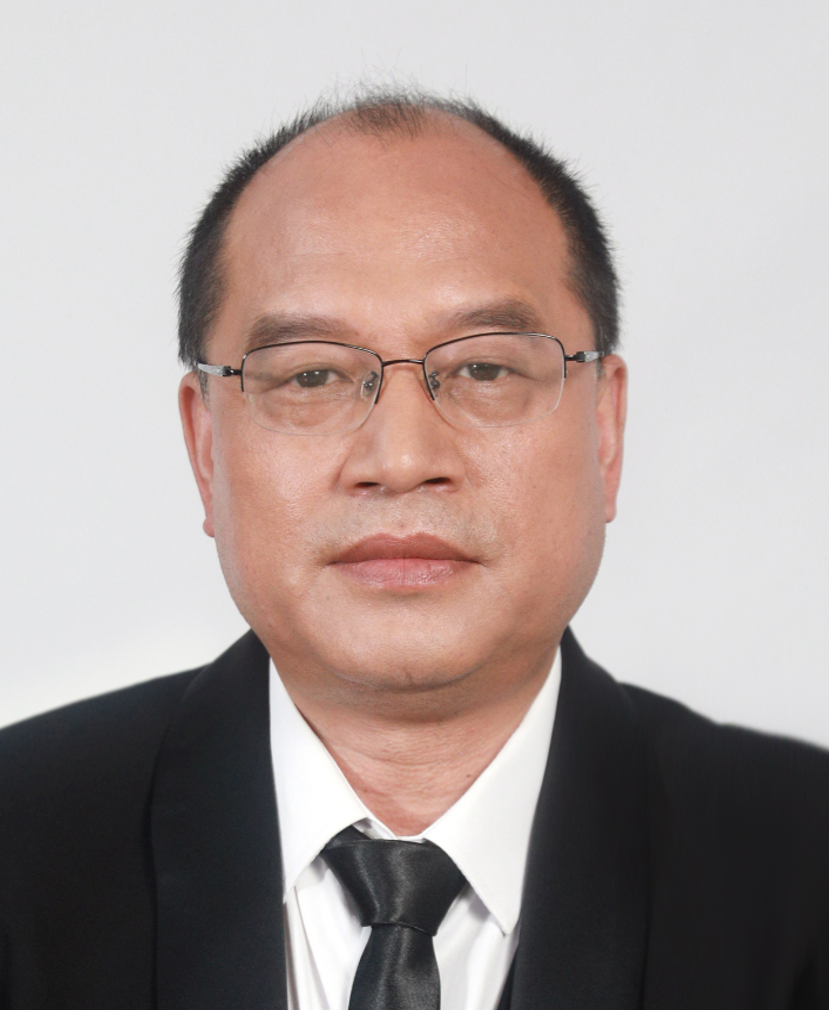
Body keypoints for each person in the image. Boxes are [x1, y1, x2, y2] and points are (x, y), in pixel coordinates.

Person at [1, 88, 827, 1010]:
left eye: (484, 368)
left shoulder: (801, 864)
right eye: (312, 375)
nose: (400, 461)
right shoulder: (19, 846)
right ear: (205, 448)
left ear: (604, 429)